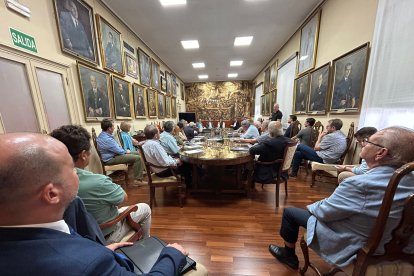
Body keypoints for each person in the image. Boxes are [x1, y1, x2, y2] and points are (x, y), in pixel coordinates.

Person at [0, 132, 189, 275]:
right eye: (71, 170)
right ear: (51, 193)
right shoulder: (90, 263)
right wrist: (171, 255)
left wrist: (103, 249)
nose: (79, 173)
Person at [268, 126, 414, 270]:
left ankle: (289, 255)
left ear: (381, 153)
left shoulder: (359, 184)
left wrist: (316, 205)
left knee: (290, 213)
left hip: (362, 246)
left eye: (368, 141)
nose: (363, 143)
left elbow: (324, 213)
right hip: (403, 248)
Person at [51, 125, 151, 242]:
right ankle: (146, 245)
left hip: (70, 240)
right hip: (104, 235)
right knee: (145, 208)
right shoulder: (98, 182)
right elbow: (123, 198)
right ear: (83, 155)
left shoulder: (44, 184)